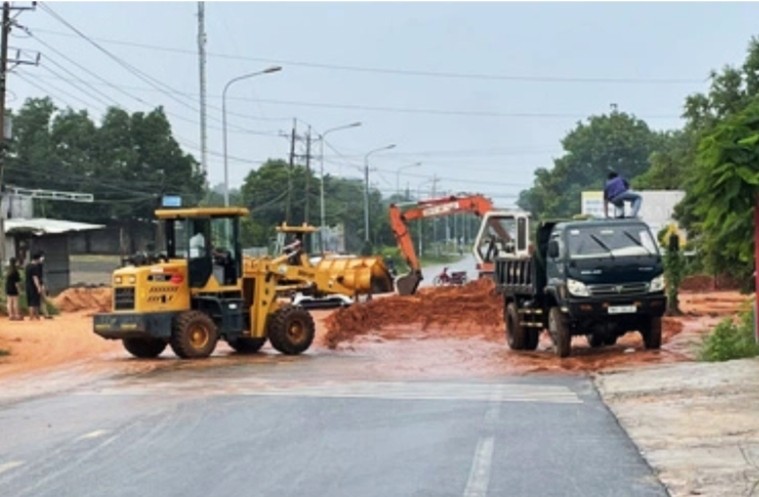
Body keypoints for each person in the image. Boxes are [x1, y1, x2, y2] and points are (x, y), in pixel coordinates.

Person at [25, 251, 51, 320]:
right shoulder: (34, 267)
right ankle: (35, 316)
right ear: (38, 259)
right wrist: (38, 287)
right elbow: (35, 278)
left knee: (31, 302)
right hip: (34, 286)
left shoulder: (28, 266)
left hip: (28, 286)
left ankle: (33, 316)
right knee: (35, 302)